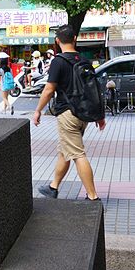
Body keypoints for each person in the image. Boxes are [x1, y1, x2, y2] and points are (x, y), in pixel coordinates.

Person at [34, 25, 105, 202]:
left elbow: (49, 89)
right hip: (83, 114)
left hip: (67, 114)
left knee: (77, 153)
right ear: (75, 38)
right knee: (65, 150)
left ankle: (92, 195)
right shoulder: (84, 60)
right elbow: (95, 90)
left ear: (57, 41)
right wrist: (99, 115)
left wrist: (38, 111)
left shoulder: (58, 61)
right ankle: (53, 187)